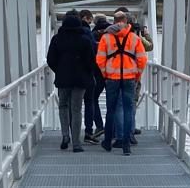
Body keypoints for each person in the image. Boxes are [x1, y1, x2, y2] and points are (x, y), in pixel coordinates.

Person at [96, 8, 148, 155]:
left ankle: (107, 141)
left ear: (114, 21)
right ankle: (126, 144)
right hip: (129, 78)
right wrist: (137, 75)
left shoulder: (106, 38)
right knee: (128, 109)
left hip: (112, 78)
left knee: (111, 110)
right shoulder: (134, 38)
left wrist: (105, 73)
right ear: (126, 22)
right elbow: (142, 60)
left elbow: (99, 59)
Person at [46, 9, 99, 152]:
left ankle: (65, 135)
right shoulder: (85, 40)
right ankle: (76, 143)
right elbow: (91, 61)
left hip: (63, 79)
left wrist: (59, 70)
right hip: (80, 80)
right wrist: (87, 72)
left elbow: (50, 59)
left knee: (63, 106)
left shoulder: (57, 39)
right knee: (76, 109)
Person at [79, 9, 104, 142]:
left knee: (79, 104)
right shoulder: (114, 33)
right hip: (111, 72)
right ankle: (117, 130)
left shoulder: (90, 33)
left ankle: (72, 134)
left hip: (87, 73)